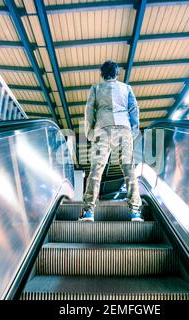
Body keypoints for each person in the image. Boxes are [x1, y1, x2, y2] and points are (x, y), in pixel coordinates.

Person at [79, 60, 143, 222]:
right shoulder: (126, 88)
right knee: (129, 168)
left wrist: (90, 132)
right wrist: (133, 130)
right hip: (124, 128)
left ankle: (89, 212)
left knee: (96, 169)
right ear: (116, 74)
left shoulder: (96, 88)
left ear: (102, 74)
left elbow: (89, 110)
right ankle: (135, 211)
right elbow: (134, 109)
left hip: (103, 128)